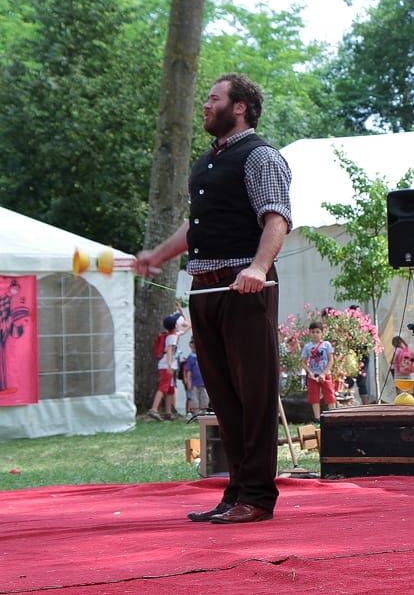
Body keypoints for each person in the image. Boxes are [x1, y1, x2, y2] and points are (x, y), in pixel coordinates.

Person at [135, 72, 291, 524]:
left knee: (254, 394)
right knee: (223, 396)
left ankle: (258, 498)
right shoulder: (206, 163)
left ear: (239, 107)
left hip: (245, 289)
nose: (205, 105)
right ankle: (237, 491)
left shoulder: (260, 156)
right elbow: (196, 227)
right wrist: (156, 255)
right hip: (205, 289)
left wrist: (258, 268)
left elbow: (276, 218)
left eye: (213, 98)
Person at [148, 305, 189, 421]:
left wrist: (181, 312)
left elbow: (188, 326)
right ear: (176, 325)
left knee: (170, 388)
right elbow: (170, 350)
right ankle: (154, 409)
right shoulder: (172, 337)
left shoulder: (174, 335)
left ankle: (168, 412)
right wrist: (170, 365)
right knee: (163, 387)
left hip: (170, 364)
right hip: (167, 365)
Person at [301, 320, 336, 419]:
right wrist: (310, 373)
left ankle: (333, 416)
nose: (315, 334)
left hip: (325, 375)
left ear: (322, 333)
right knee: (314, 397)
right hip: (313, 375)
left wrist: (324, 374)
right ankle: (317, 418)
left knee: (329, 394)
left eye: (317, 332)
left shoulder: (326, 345)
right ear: (309, 333)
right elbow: (303, 362)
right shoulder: (307, 346)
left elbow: (331, 360)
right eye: (313, 332)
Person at [348, 305, 370, 404]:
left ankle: (365, 406)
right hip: (350, 357)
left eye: (358, 312)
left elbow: (369, 341)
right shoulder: (347, 326)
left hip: (363, 356)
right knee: (349, 381)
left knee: (362, 382)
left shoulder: (364, 326)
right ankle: (348, 405)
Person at [182, 339, 209, 415]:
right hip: (194, 383)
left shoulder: (203, 356)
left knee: (204, 398)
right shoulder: (191, 357)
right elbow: (189, 370)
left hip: (203, 383)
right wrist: (188, 381)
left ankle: (204, 412)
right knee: (194, 399)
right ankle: (196, 413)